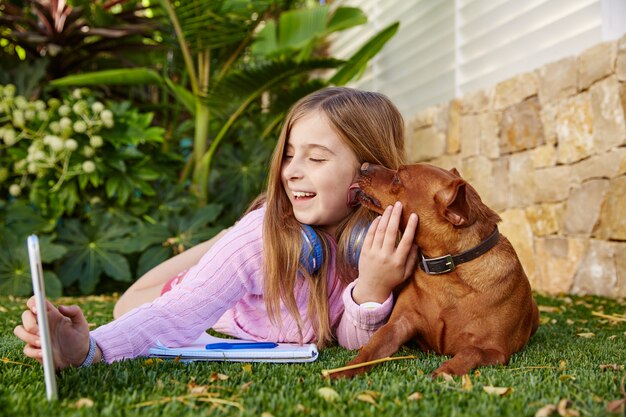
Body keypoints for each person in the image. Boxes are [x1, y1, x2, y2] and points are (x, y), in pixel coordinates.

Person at [14, 87, 419, 370]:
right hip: (219, 293)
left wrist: (372, 289)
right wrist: (90, 350)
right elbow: (174, 313)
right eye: (290, 155)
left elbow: (350, 336)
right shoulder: (259, 241)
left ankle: (223, 239)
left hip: (247, 267)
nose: (291, 172)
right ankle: (222, 238)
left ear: (369, 171)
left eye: (315, 159)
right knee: (128, 303)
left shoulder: (377, 241)